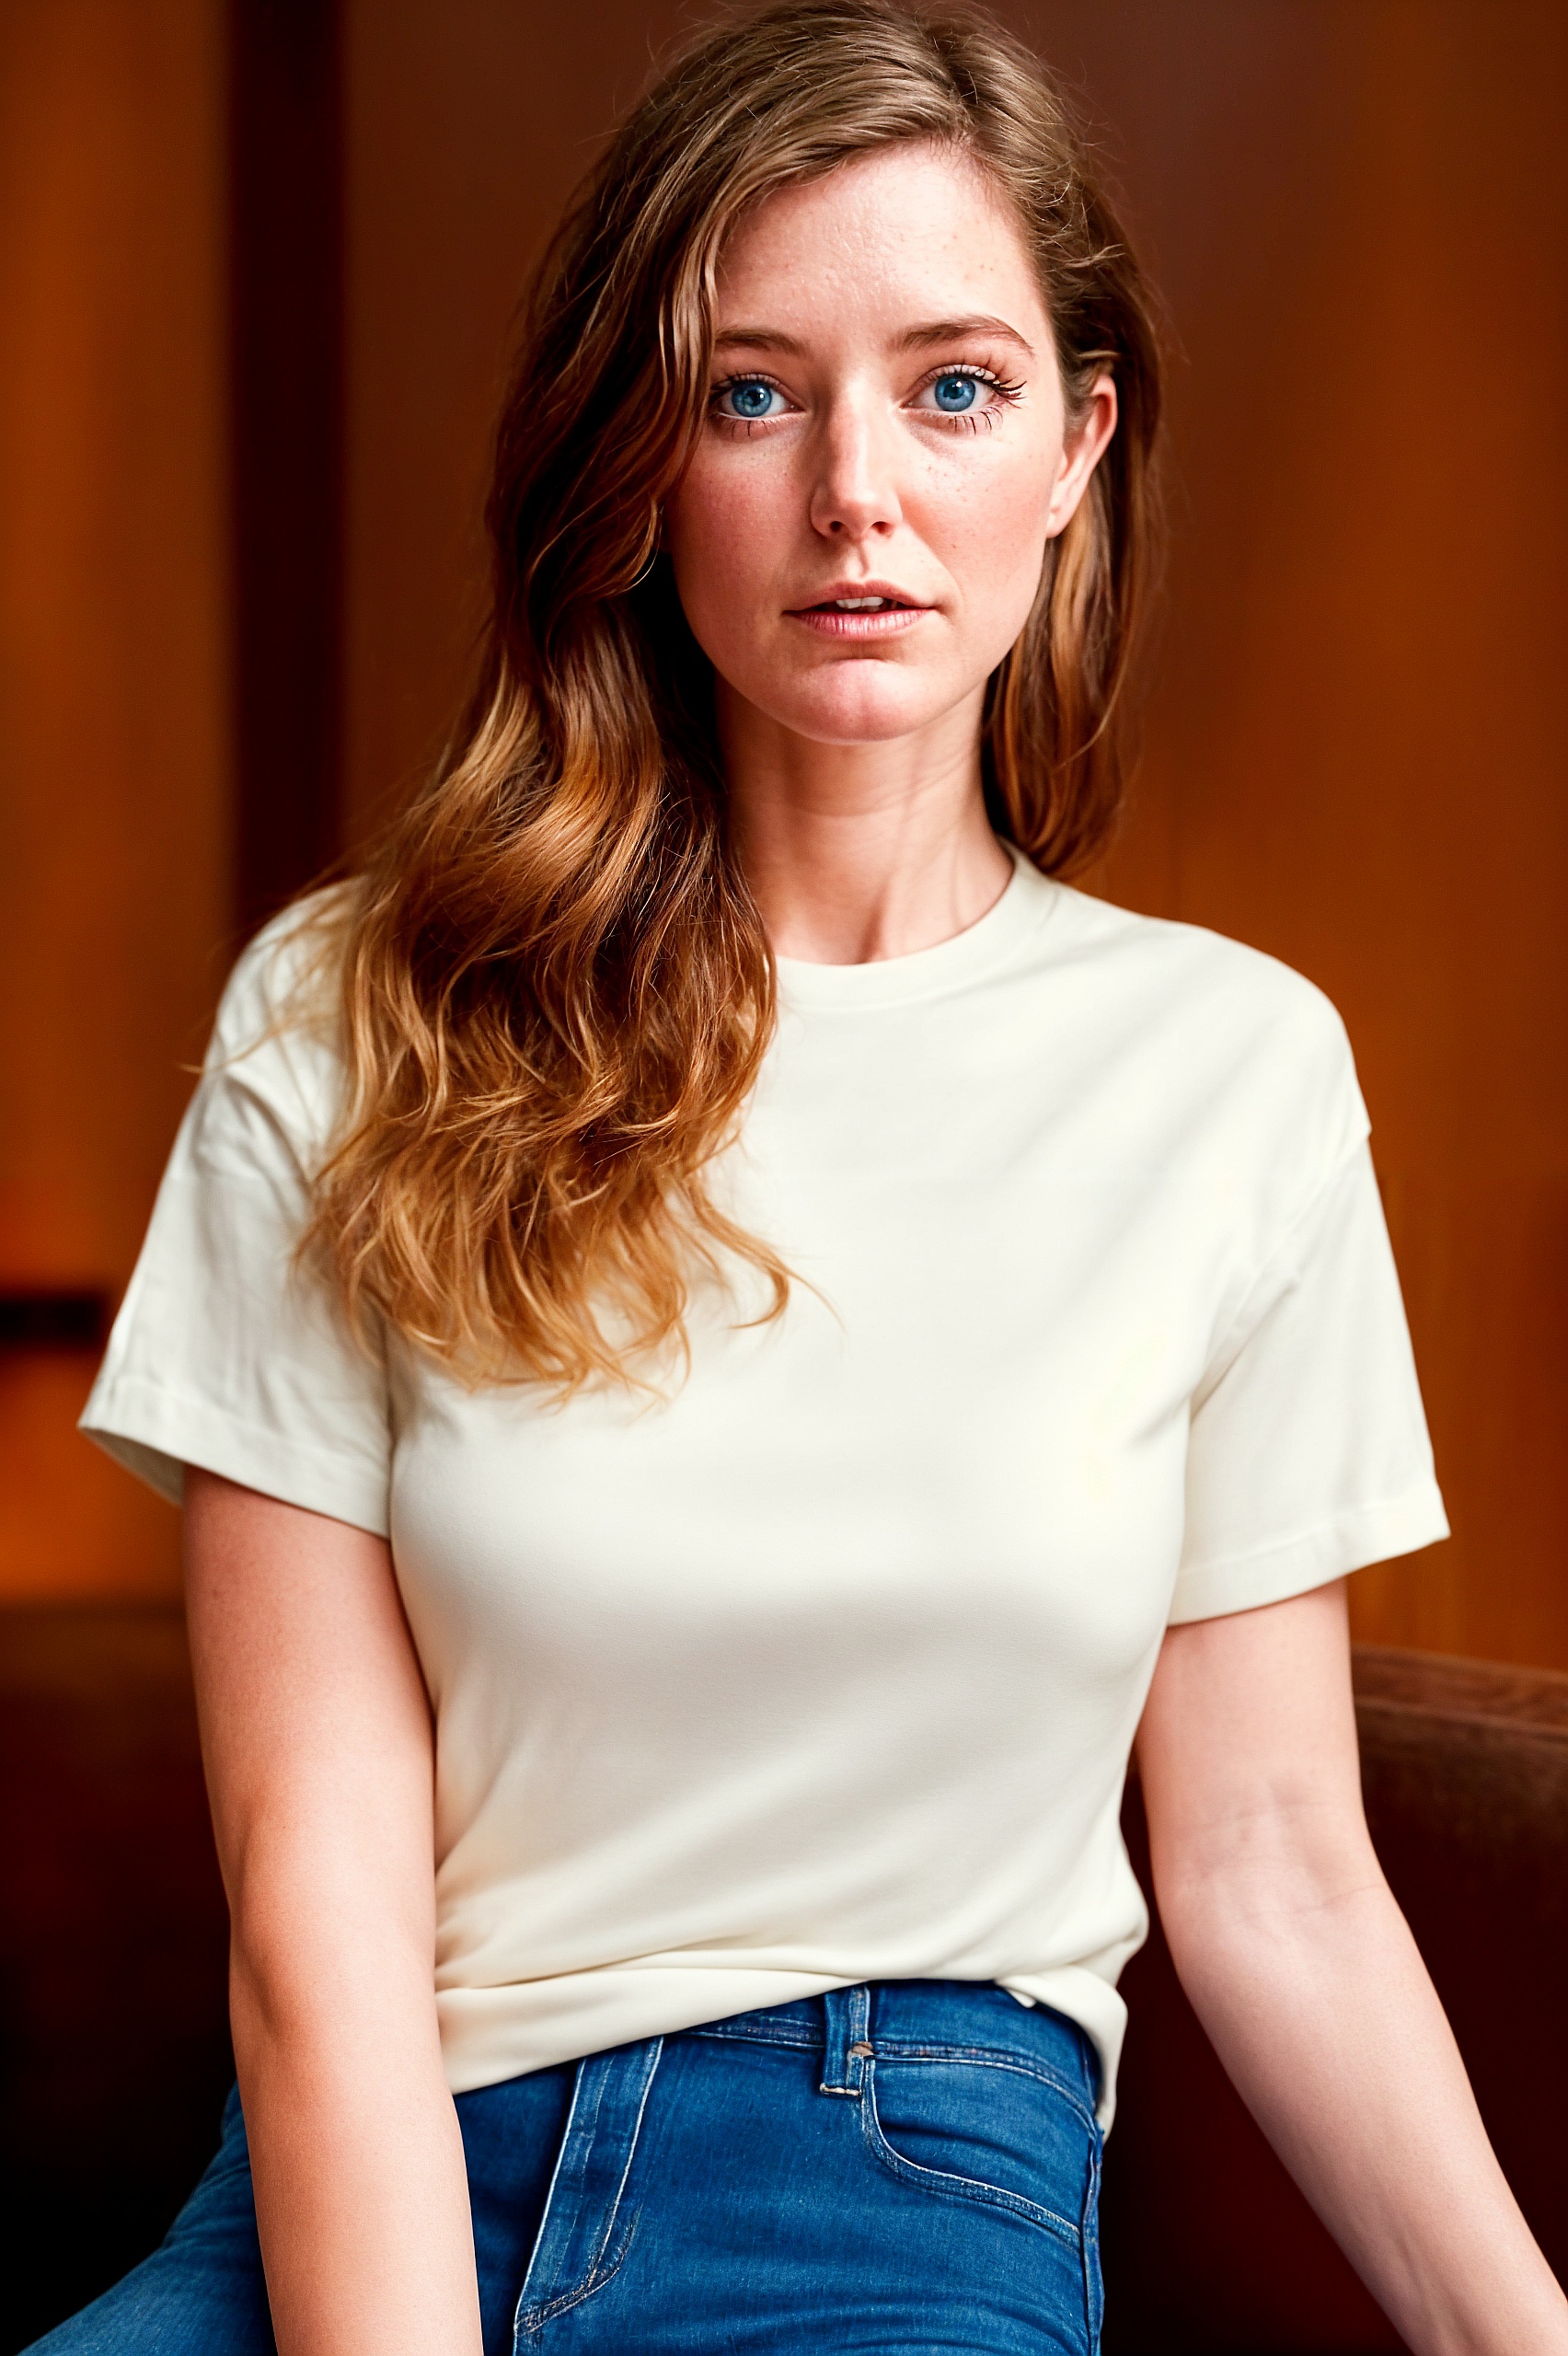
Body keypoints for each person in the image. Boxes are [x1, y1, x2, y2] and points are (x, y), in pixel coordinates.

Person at [36, 3, 1568, 2351]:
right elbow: (310, 1909)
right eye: (755, 392)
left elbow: (1271, 1864)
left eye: (951, 388)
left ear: (1077, 443)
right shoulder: (358, 1016)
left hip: (889, 2196)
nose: (857, 487)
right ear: (643, 467)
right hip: (353, 2191)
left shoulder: (1229, 1074)